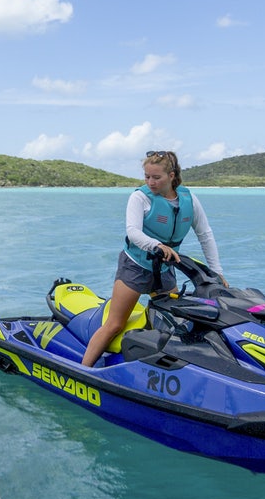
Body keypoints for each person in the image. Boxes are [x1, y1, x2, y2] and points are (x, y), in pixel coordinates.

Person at [81, 150, 226, 368]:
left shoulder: (189, 199)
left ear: (172, 176)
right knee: (115, 324)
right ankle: (84, 369)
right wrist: (156, 245)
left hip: (164, 270)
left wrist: (217, 272)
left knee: (173, 324)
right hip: (135, 266)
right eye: (147, 176)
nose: (150, 182)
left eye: (156, 177)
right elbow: (133, 232)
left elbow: (205, 235)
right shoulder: (140, 197)